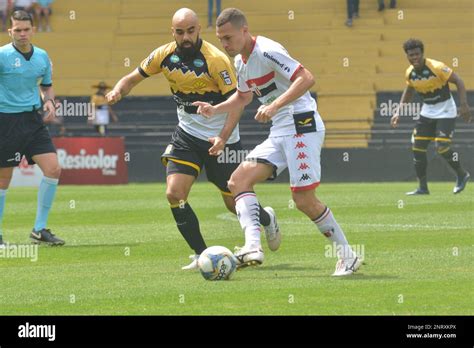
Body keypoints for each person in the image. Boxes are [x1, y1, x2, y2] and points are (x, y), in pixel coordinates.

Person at [193, 8, 362, 276]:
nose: (225, 44)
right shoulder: (241, 63)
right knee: (238, 181)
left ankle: (348, 256)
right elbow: (243, 98)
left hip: (301, 124)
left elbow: (306, 78)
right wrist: (215, 110)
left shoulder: (267, 50)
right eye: (221, 39)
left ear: (244, 30)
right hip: (280, 130)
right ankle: (252, 247)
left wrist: (274, 106)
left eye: (228, 37)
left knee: (304, 200)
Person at [106, 8, 275, 270]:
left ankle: (266, 218)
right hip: (186, 134)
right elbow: (132, 78)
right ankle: (202, 255)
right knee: (174, 193)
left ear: (198, 30)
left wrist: (222, 137)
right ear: (172, 32)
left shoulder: (216, 60)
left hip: (222, 138)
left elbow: (238, 104)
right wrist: (117, 91)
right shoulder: (163, 55)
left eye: (191, 31)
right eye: (180, 32)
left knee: (233, 202)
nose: (186, 37)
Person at [0, 10, 65, 248]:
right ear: (10, 31)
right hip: (5, 121)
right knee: (3, 180)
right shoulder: (2, 55)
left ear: (33, 30)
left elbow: (47, 86)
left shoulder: (42, 56)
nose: (22, 34)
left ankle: (39, 229)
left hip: (33, 121)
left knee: (53, 169)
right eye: (17, 29)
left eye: (26, 29)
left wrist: (49, 101)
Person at [391, 39, 471, 195]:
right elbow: (409, 91)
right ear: (407, 56)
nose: (414, 58)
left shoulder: (437, 67)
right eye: (411, 55)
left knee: (442, 148)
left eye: (417, 54)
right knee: (417, 148)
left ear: (422, 53)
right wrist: (398, 111)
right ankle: (422, 187)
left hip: (446, 110)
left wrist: (464, 105)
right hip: (427, 112)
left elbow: (459, 81)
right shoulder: (410, 73)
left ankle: (462, 174)